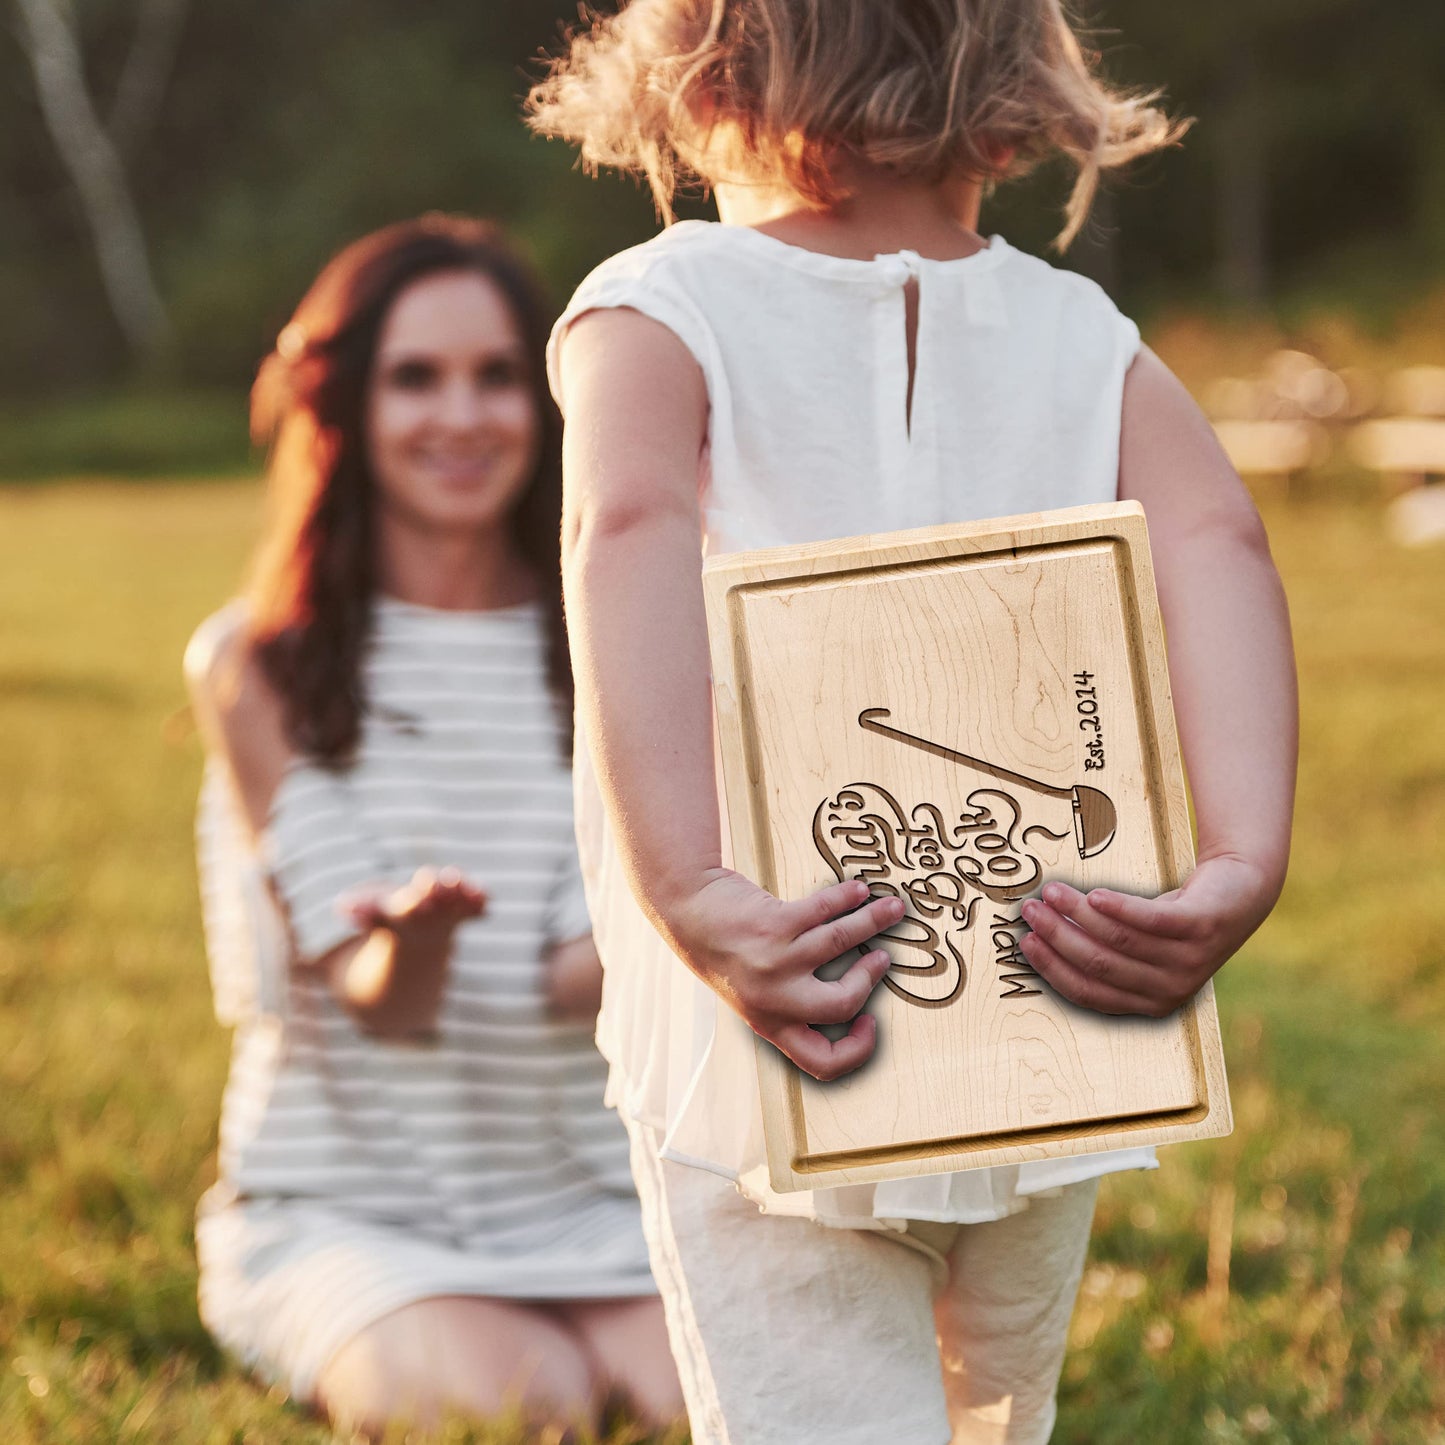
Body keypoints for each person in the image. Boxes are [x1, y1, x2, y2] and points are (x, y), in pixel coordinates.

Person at [527, 4, 1298, 1443]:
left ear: (702, 77)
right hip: (1046, 992)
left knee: (816, 1404)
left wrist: (694, 887)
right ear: (1017, 91)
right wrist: (1238, 861)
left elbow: (622, 530)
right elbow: (1222, 547)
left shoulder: (660, 304)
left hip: (785, 990)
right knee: (1003, 1408)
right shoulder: (1081, 332)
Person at [184, 214, 683, 1438]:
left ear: (548, 399)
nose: (460, 416)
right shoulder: (257, 665)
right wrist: (413, 935)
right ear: (347, 404)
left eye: (496, 375)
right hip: (353, 1208)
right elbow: (381, 999)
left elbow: (581, 979)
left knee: (708, 1402)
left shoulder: (613, 639)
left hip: (595, 1198)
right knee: (530, 1405)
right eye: (416, 377)